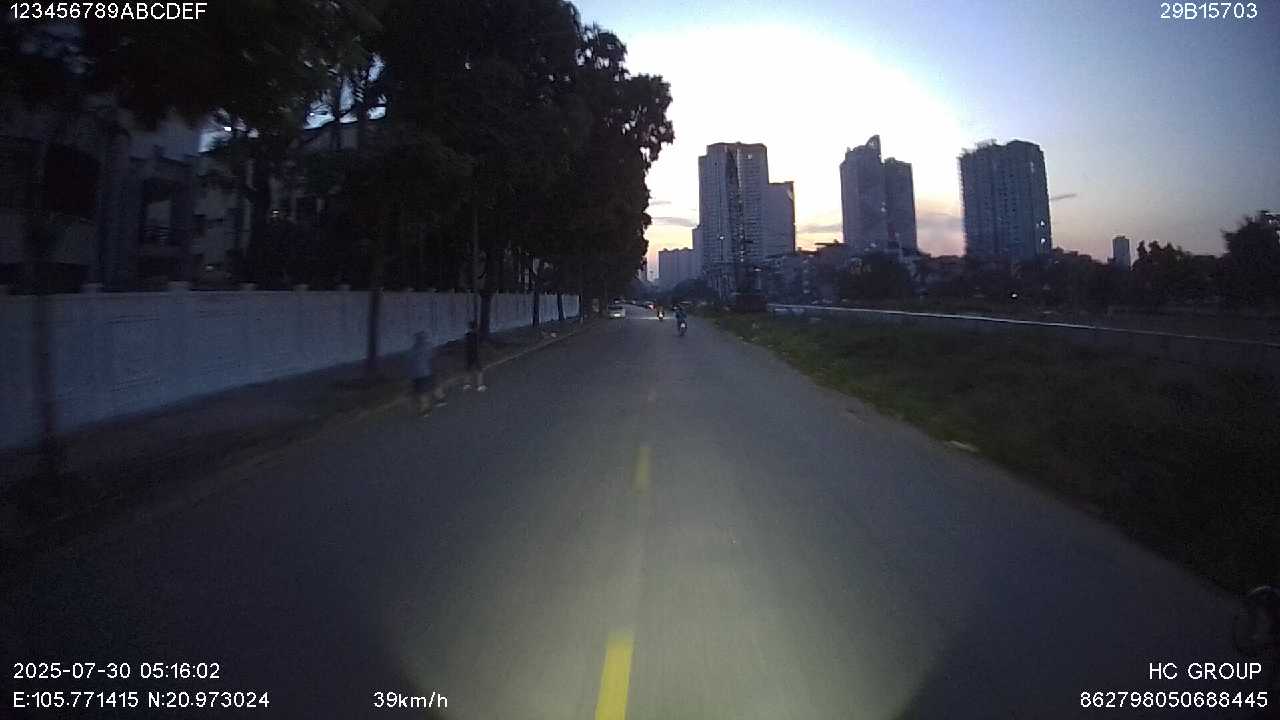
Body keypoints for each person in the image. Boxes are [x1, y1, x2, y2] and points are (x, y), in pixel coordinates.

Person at [410, 331, 446, 416]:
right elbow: (433, 358)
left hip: (418, 374)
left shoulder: (413, 349)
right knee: (434, 385)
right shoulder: (428, 346)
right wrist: (436, 369)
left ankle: (425, 409)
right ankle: (441, 399)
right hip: (428, 371)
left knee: (422, 392)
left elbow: (412, 363)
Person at [462, 321, 486, 392]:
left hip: (469, 354)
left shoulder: (467, 335)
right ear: (476, 328)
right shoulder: (477, 336)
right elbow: (480, 344)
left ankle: (466, 384)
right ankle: (480, 385)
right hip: (476, 354)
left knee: (468, 370)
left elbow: (465, 345)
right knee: (479, 370)